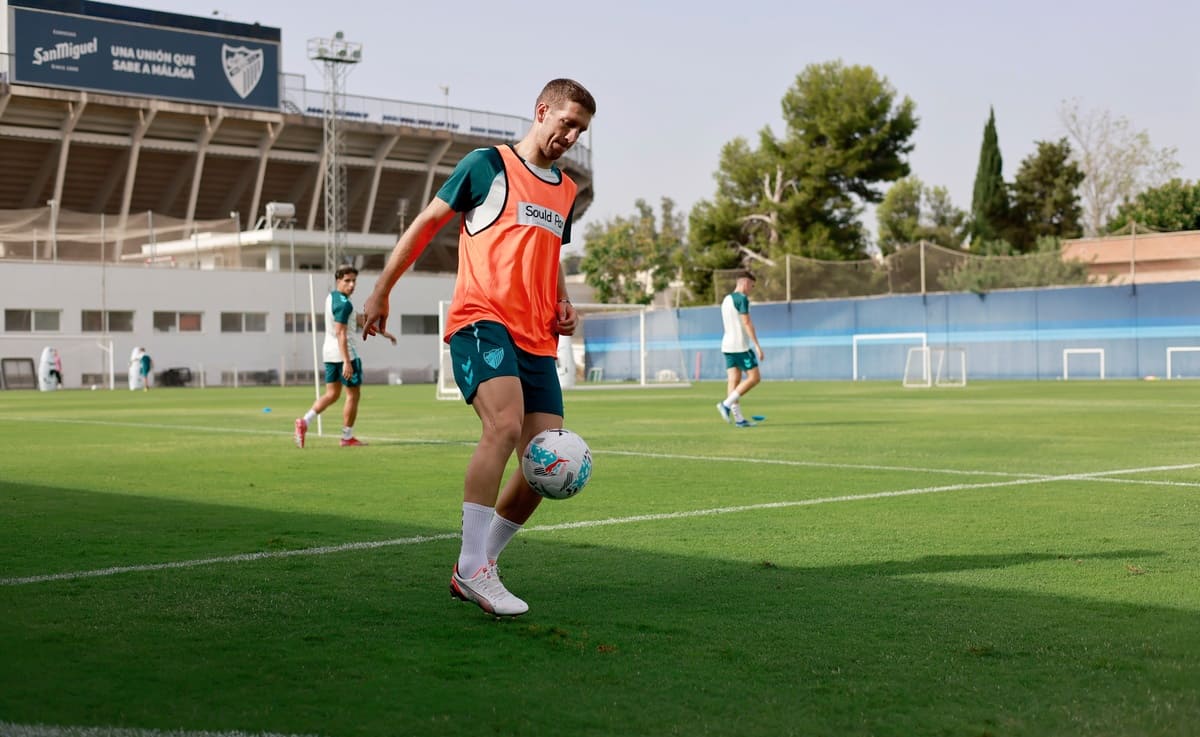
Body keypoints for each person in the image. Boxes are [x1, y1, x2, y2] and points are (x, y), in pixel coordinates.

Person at [360, 78, 596, 617]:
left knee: (544, 463)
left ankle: (476, 565)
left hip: (537, 338)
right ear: (542, 112)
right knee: (504, 426)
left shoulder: (564, 190)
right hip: (481, 319)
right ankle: (472, 567)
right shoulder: (486, 165)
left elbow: (549, 255)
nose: (572, 136)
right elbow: (426, 224)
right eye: (567, 123)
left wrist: (563, 304)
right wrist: (381, 290)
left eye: (581, 130)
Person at [294, 265, 368, 449]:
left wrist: (382, 331)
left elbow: (355, 319)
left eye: (354, 281)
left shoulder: (332, 297)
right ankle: (347, 436)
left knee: (332, 394)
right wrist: (347, 362)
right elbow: (341, 333)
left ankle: (304, 421)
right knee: (353, 395)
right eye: (347, 281)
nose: (351, 285)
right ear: (338, 281)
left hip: (328, 354)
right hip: (346, 355)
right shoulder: (344, 304)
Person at [716, 271, 764, 428]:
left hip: (727, 346)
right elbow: (747, 322)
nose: (752, 288)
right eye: (752, 285)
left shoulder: (726, 299)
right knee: (755, 378)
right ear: (744, 283)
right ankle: (726, 404)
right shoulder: (742, 299)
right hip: (740, 346)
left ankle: (739, 419)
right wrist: (757, 345)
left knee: (734, 381)